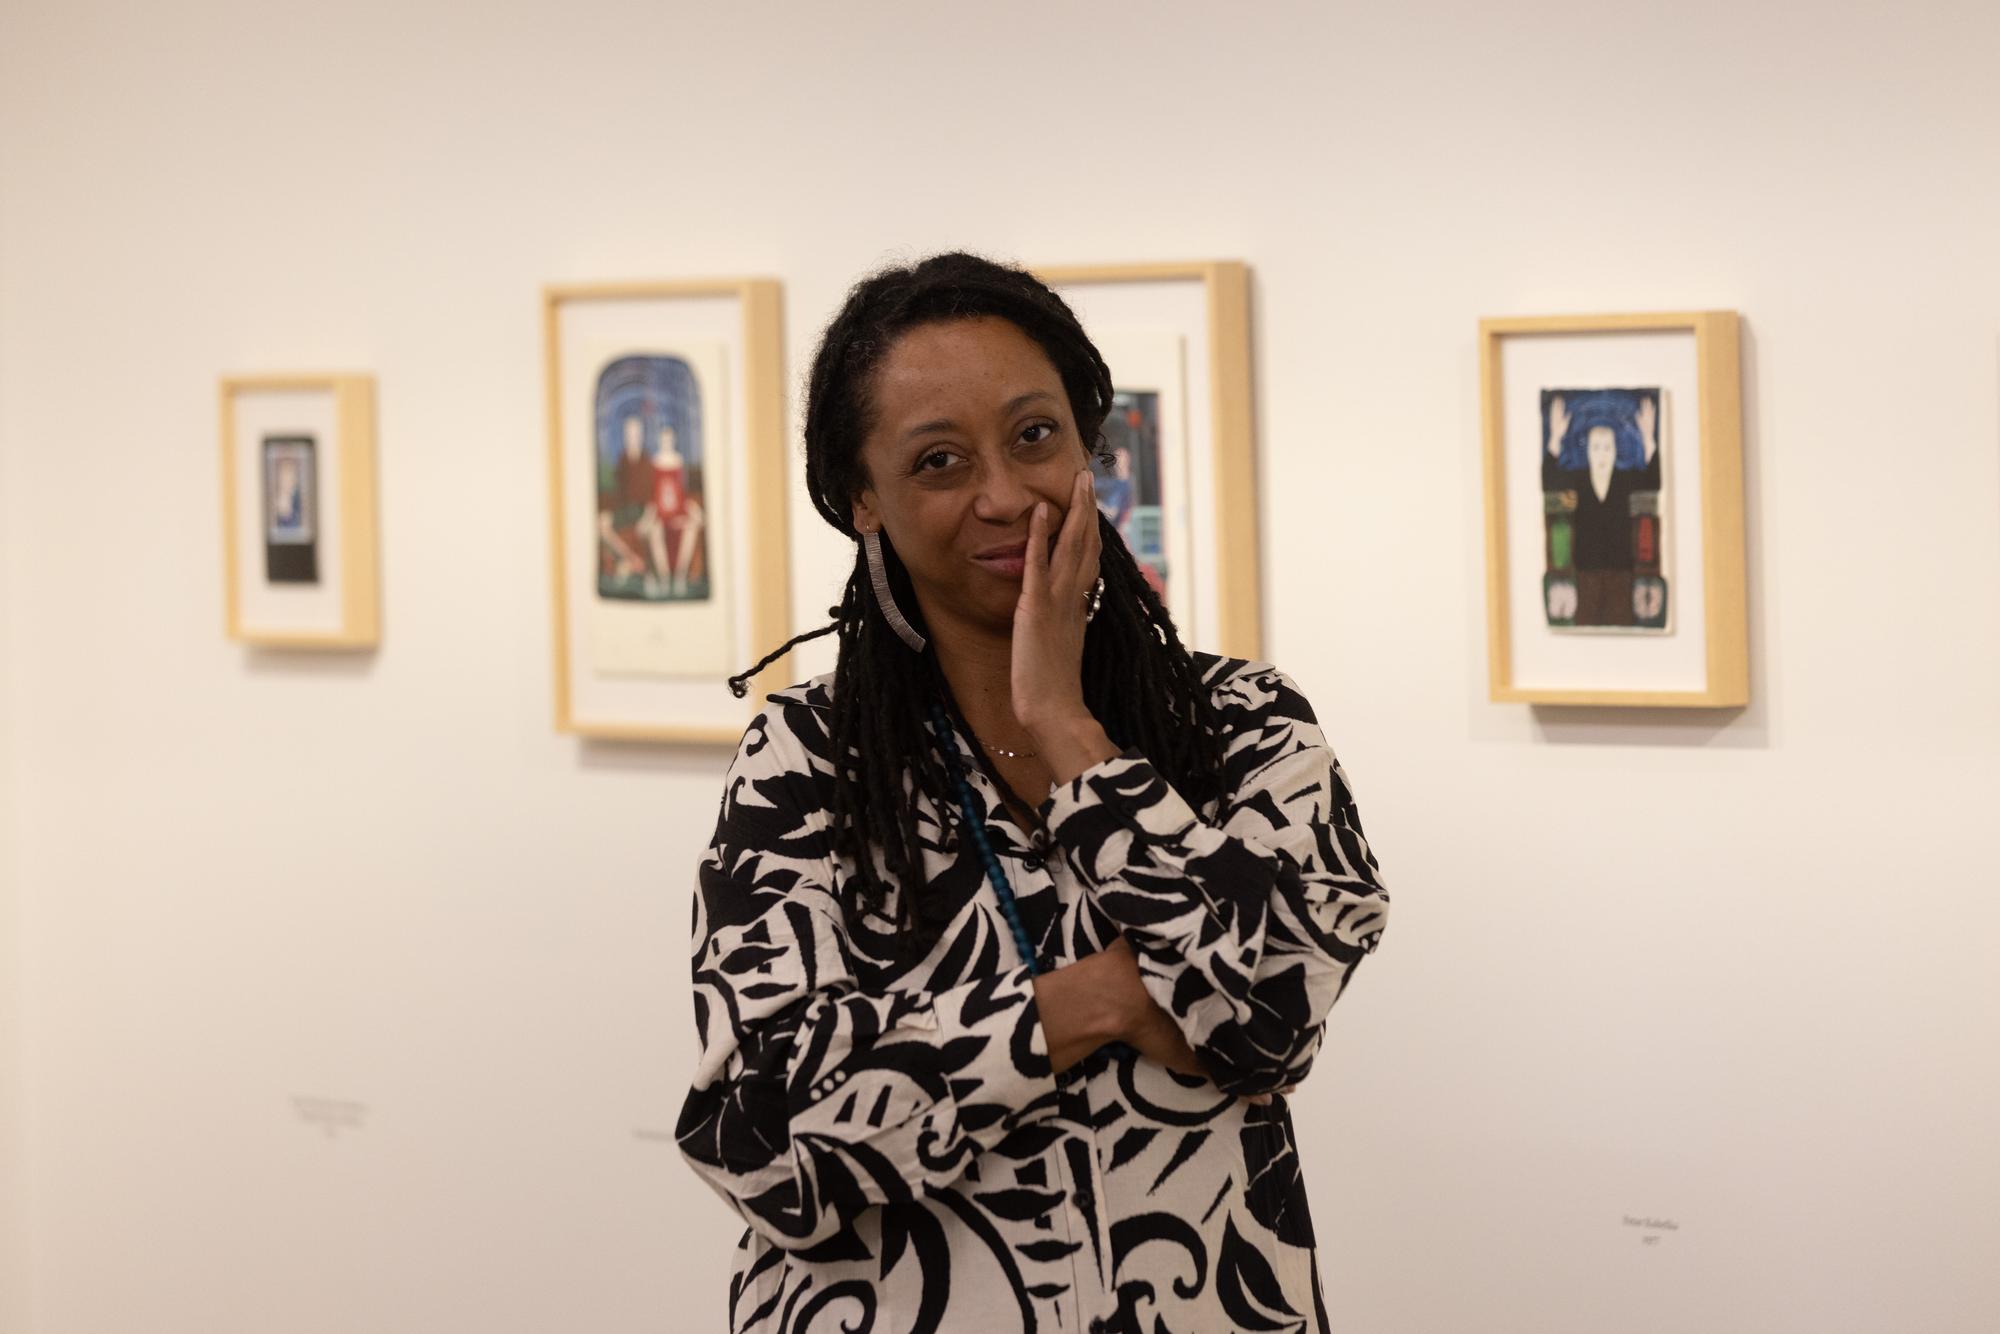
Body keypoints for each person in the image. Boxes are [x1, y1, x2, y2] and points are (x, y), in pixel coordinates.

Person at [675, 253, 1389, 1333]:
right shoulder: (808, 762)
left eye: (1034, 435)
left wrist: (1067, 729)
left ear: (1086, 444)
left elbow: (1266, 1021)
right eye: (939, 461)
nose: (1004, 495)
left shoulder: (1244, 725)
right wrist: (1095, 1001)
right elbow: (764, 1143)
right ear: (863, 498)